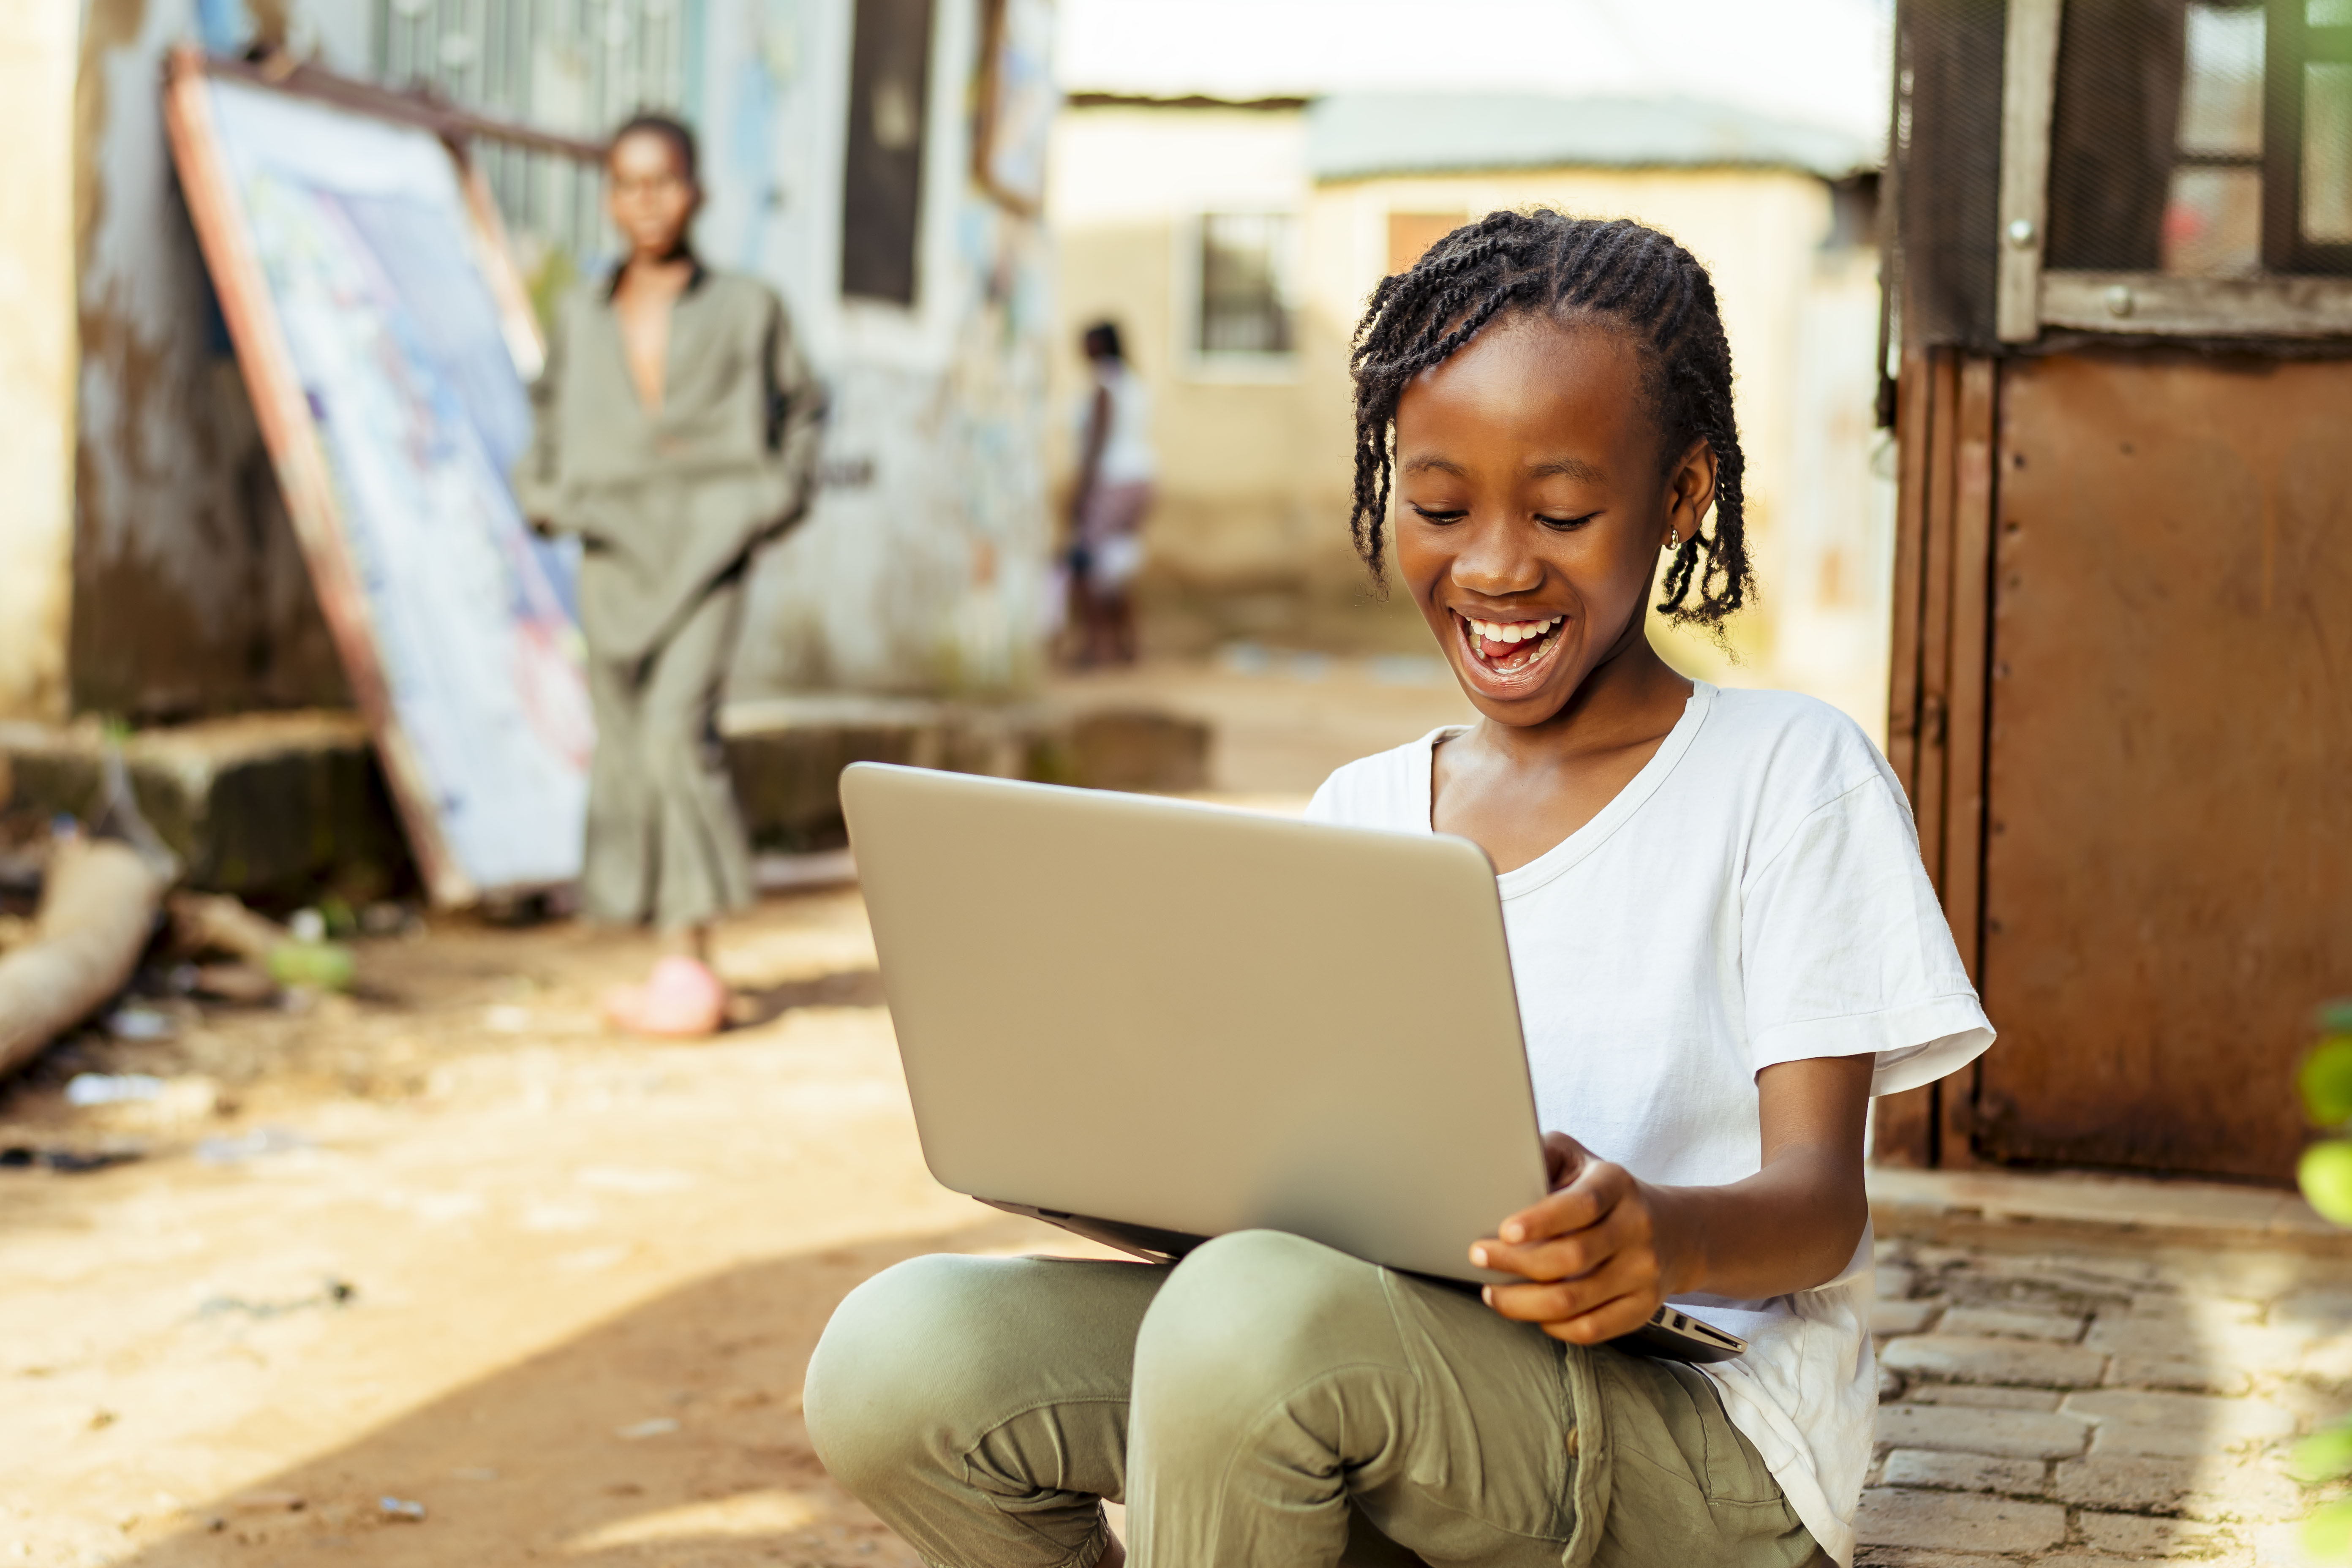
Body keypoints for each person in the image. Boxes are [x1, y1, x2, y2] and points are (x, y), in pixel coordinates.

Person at [800, 212, 1993, 1568]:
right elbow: (1287, 1189)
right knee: (897, 1363)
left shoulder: (1784, 776)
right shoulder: (1360, 811)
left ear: (1680, 494)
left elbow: (1819, 1202)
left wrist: (1664, 1233)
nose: (1492, 566)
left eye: (1559, 512)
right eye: (1437, 508)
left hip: (1702, 1441)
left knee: (1252, 1317)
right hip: (1368, 1371)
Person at [514, 112, 823, 1037]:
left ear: (698, 191)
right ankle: (663, 953)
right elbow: (548, 419)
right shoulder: (580, 312)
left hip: (709, 549)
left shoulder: (748, 308)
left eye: (666, 182)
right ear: (610, 197)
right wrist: (545, 494)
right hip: (610, 548)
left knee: (676, 735)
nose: (647, 202)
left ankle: (693, 956)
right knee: (622, 741)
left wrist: (768, 499)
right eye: (628, 184)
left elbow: (802, 415)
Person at [1064, 321, 1155, 665]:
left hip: (1112, 480)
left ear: (1099, 345)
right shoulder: (1133, 382)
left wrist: (1081, 492)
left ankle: (1097, 647)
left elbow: (1097, 443)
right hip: (1143, 477)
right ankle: (1129, 646)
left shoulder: (1104, 384)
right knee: (1116, 565)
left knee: (1086, 565)